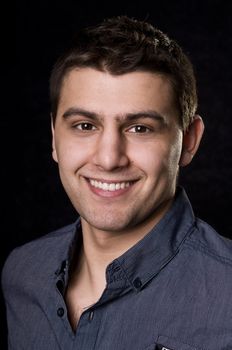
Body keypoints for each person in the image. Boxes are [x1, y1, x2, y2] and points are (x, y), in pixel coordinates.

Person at [1, 15, 232, 350]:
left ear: (190, 141)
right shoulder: (22, 273)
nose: (109, 159)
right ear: (54, 136)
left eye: (140, 128)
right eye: (84, 126)